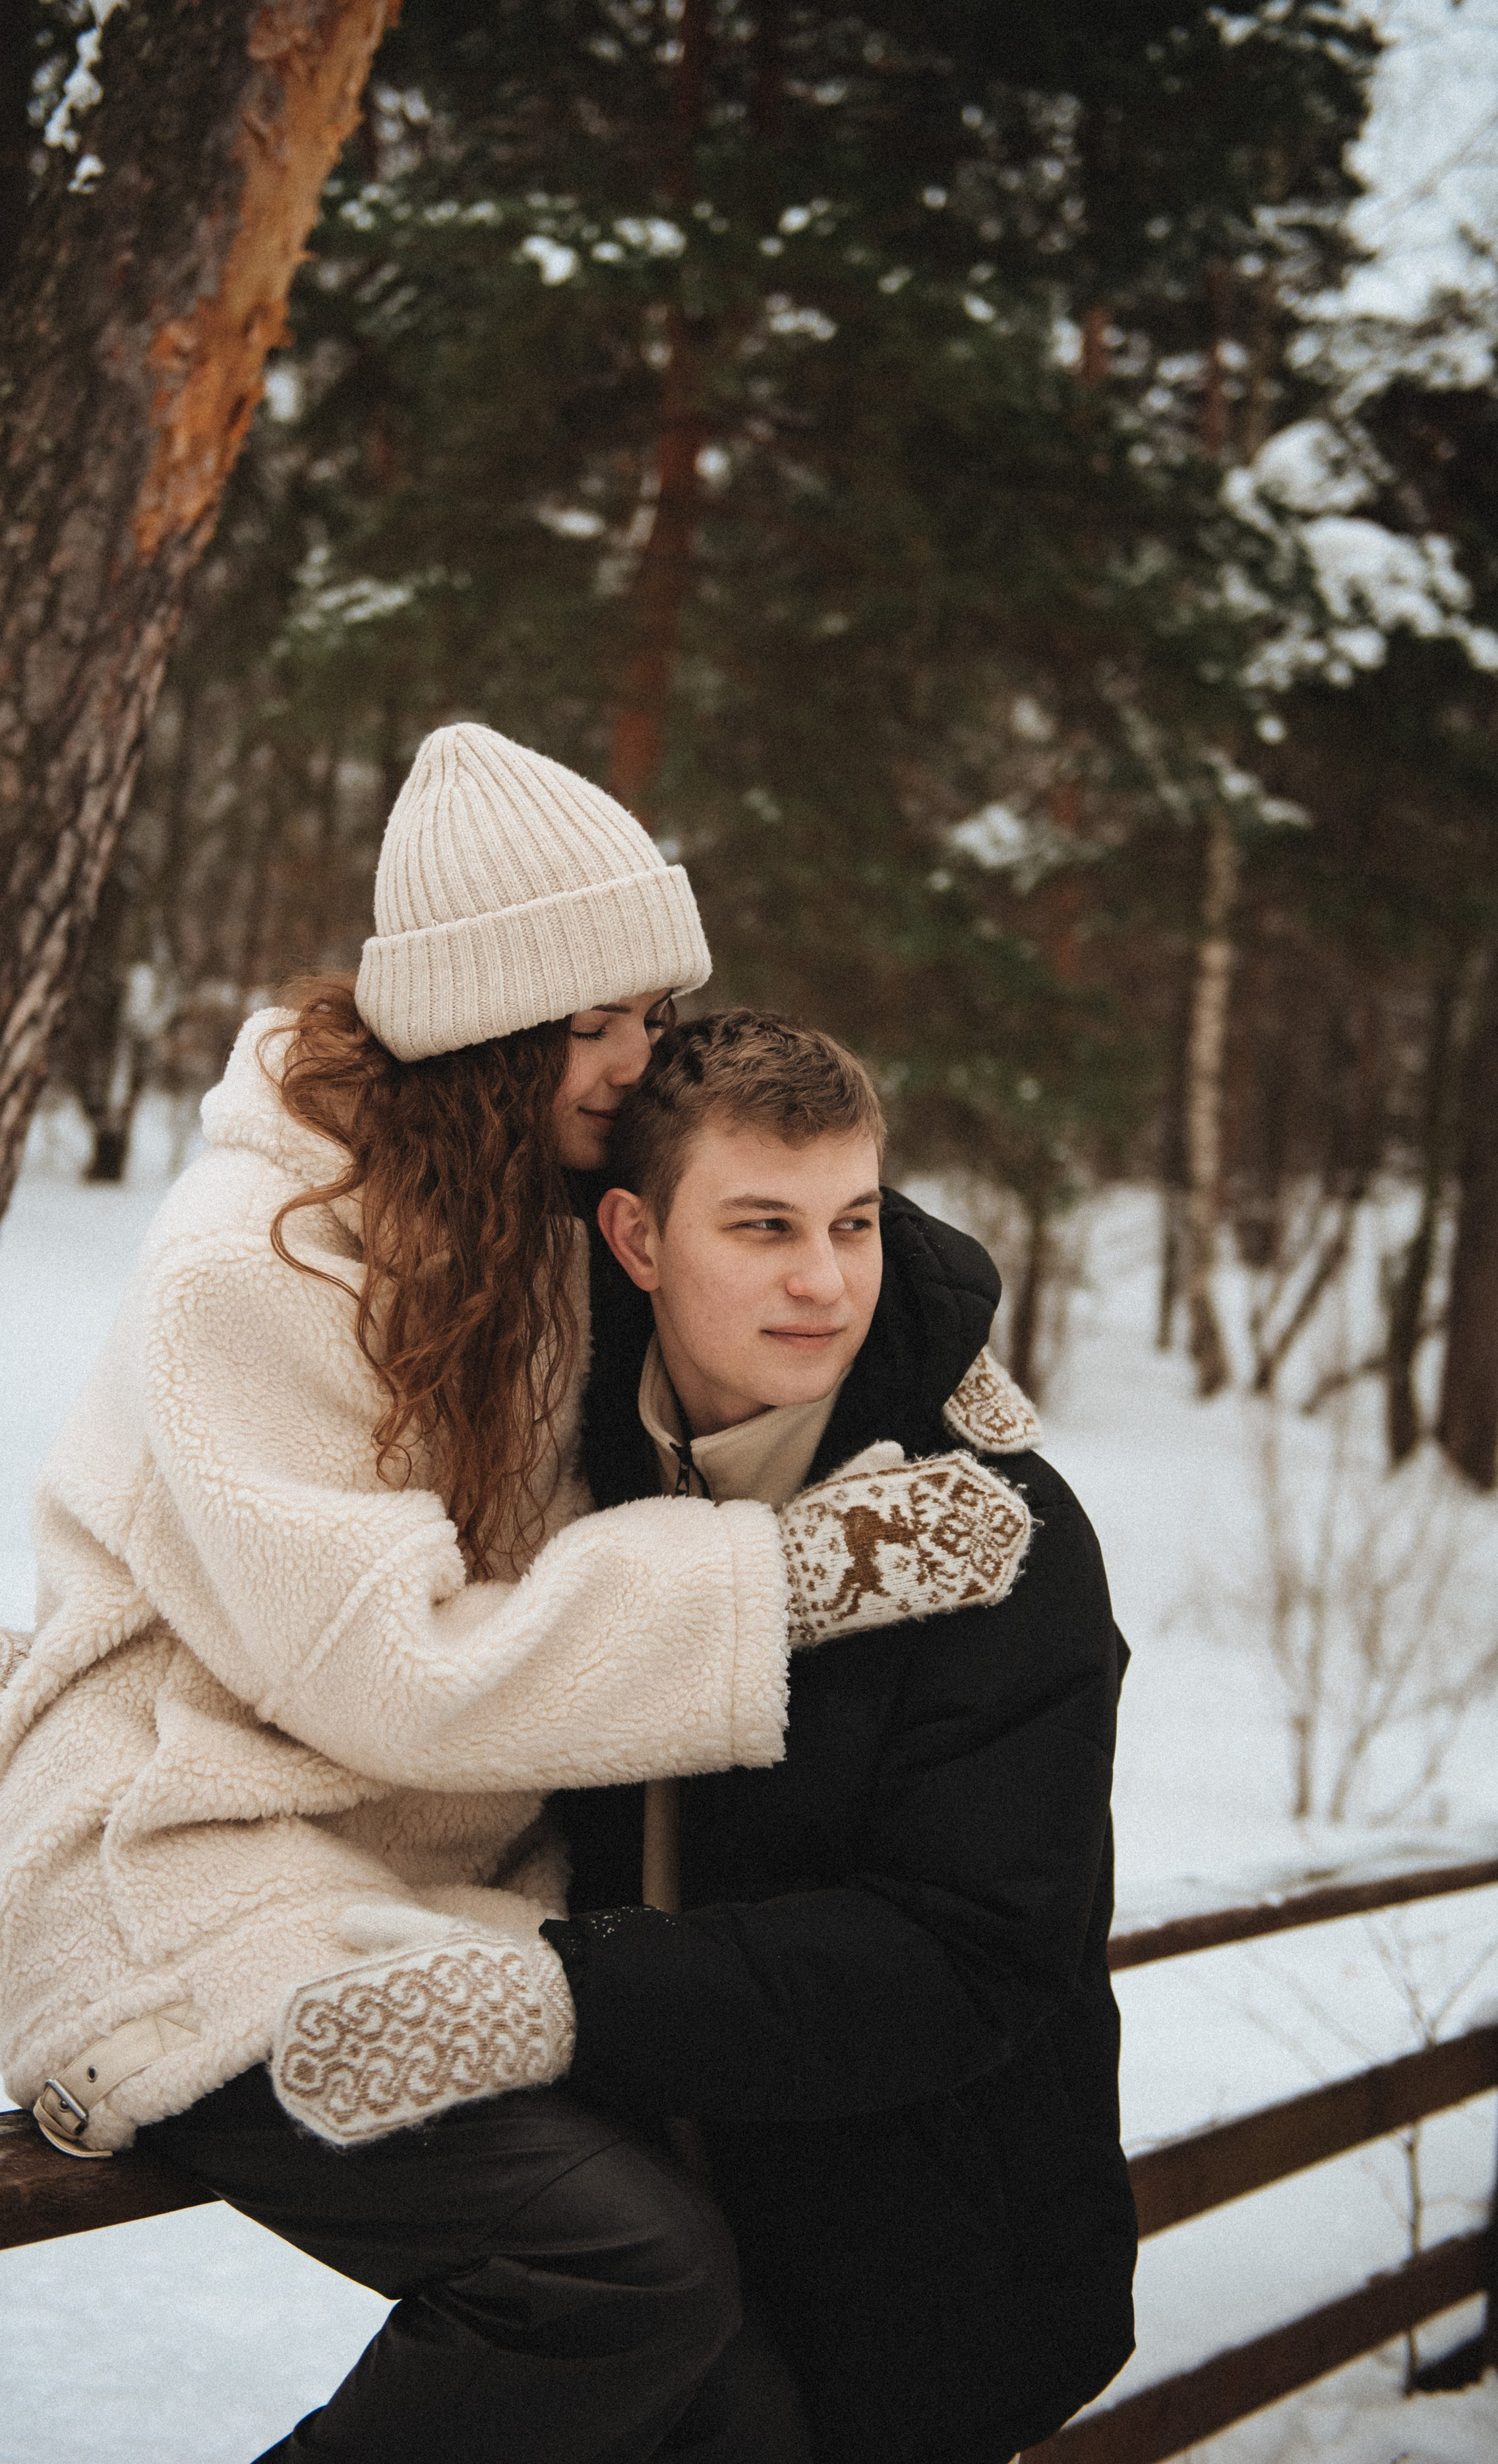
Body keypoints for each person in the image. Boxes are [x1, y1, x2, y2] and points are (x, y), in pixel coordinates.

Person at [0, 724, 1031, 2464]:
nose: (631, 1062)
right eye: (587, 1024)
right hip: (174, 1889)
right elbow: (387, 1671)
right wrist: (782, 1575)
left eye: (649, 1012)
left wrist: (922, 1371)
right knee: (617, 2270)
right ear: (480, 1035)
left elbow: (766, 1228)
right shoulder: (254, 1265)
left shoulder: (542, 1200)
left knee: (756, 2388)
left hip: (429, 1892)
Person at [544, 1009, 1138, 2464]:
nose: (823, 1282)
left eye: (854, 1224)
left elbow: (963, 1953)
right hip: (639, 2265)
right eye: (761, 1227)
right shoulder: (558, 1470)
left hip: (920, 2299)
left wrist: (553, 1995)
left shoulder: (998, 1531)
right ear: (634, 1239)